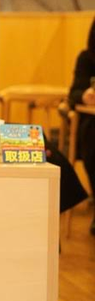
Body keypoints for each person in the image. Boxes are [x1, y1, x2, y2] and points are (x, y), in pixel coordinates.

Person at [68, 17, 95, 234]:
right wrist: (85, 95)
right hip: (91, 121)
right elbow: (74, 93)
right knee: (91, 134)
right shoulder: (87, 58)